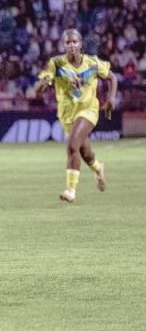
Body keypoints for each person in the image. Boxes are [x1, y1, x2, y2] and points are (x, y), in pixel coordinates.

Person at [33, 29, 118, 202]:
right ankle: (98, 168)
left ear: (80, 45)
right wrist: (43, 83)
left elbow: (112, 77)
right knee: (85, 152)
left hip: (88, 110)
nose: (71, 45)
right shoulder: (56, 64)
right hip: (67, 114)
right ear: (63, 45)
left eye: (74, 42)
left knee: (72, 146)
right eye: (68, 42)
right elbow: (38, 90)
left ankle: (70, 191)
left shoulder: (93, 62)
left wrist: (111, 98)